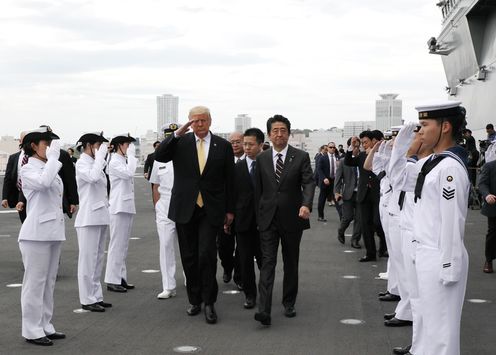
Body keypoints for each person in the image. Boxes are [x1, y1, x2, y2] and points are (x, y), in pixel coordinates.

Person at [154, 106, 235, 324]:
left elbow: (230, 180)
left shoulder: (223, 146)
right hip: (185, 207)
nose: (199, 124)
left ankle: (209, 302)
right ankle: (195, 299)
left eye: (203, 120)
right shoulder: (180, 142)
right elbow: (159, 156)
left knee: (207, 254)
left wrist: (230, 210)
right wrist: (178, 133)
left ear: (210, 121)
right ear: (189, 123)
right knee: (189, 256)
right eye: (194, 121)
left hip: (211, 208)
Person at [411, 101, 469, 355]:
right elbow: (396, 174)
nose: (420, 131)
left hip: (441, 256)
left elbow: (451, 221)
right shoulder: (433, 162)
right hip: (426, 253)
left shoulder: (449, 169)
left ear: (445, 127)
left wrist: (449, 266)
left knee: (442, 336)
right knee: (429, 330)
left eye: (424, 125)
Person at [254, 115, 315, 326]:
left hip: (292, 217)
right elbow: (257, 191)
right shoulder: (261, 159)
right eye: (275, 130)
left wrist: (306, 204)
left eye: (283, 130)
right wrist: (257, 217)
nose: (279, 134)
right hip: (268, 219)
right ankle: (264, 309)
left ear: (288, 133)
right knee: (267, 262)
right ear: (269, 135)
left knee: (290, 261)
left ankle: (289, 302)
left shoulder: (300, 157)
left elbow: (308, 182)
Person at [18, 127, 66, 346]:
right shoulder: (28, 169)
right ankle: (31, 329)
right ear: (33, 146)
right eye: (46, 143)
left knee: (48, 283)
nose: (50, 147)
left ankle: (46, 324)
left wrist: (52, 160)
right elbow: (44, 183)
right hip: (35, 234)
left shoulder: (48, 166)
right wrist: (54, 159)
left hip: (52, 231)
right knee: (35, 283)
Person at [74, 132, 112, 312]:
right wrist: (100, 158)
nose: (101, 148)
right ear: (88, 145)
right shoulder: (82, 162)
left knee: (97, 259)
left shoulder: (95, 162)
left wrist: (99, 158)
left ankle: (96, 296)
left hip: (100, 215)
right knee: (87, 260)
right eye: (98, 145)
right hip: (88, 218)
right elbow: (93, 177)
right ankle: (87, 299)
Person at [233, 128, 264, 309]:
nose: (246, 147)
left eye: (250, 144)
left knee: (264, 260)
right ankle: (250, 295)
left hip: (265, 222)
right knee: (245, 260)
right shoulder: (236, 168)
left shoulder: (267, 164)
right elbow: (232, 194)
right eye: (245, 144)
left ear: (260, 145)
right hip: (243, 221)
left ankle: (265, 291)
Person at [344, 130, 387, 262]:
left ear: (374, 141)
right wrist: (352, 147)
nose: (364, 145)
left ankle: (384, 247)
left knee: (377, 223)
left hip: (377, 193)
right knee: (365, 225)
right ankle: (370, 253)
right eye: (362, 143)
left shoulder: (384, 155)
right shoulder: (362, 155)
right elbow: (348, 162)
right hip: (363, 194)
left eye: (366, 142)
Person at [104, 133, 138, 293]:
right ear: (120, 145)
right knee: (117, 244)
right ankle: (112, 279)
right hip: (118, 207)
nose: (130, 147)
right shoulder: (115, 162)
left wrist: (129, 157)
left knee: (123, 245)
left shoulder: (122, 160)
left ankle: (120, 277)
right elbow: (129, 173)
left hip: (125, 206)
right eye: (127, 144)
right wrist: (131, 157)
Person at [149, 124, 179, 299]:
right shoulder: (158, 159)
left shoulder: (186, 155)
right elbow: (155, 186)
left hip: (183, 204)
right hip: (164, 205)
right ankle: (168, 286)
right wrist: (157, 207)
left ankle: (191, 280)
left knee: (188, 246)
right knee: (166, 244)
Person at [217, 132, 243, 288]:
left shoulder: (251, 162)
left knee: (243, 247)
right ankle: (228, 267)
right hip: (224, 211)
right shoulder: (222, 161)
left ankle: (240, 277)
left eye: (238, 141)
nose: (234, 144)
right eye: (232, 142)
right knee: (223, 246)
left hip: (243, 212)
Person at [334, 137, 361, 248]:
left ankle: (355, 240)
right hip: (348, 193)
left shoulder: (364, 158)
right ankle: (341, 230)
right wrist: (336, 192)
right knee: (348, 217)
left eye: (357, 146)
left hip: (361, 193)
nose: (356, 148)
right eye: (353, 146)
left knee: (360, 218)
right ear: (349, 146)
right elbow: (338, 178)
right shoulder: (343, 161)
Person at [1, 131, 27, 222]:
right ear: (20, 141)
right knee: (24, 222)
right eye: (24, 139)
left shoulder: (36, 157)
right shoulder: (13, 157)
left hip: (33, 196)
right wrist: (5, 197)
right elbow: (7, 178)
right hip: (18, 195)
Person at [477, 157, 496, 273]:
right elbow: (482, 183)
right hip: (494, 205)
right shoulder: (489, 166)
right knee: (493, 233)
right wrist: (487, 195)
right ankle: (488, 260)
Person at [317, 142, 338, 222]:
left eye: (333, 147)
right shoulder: (323, 158)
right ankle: (320, 216)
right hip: (325, 181)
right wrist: (324, 178)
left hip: (335, 181)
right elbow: (319, 169)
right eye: (330, 147)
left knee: (337, 199)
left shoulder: (337, 157)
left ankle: (342, 217)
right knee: (322, 199)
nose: (332, 149)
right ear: (327, 148)